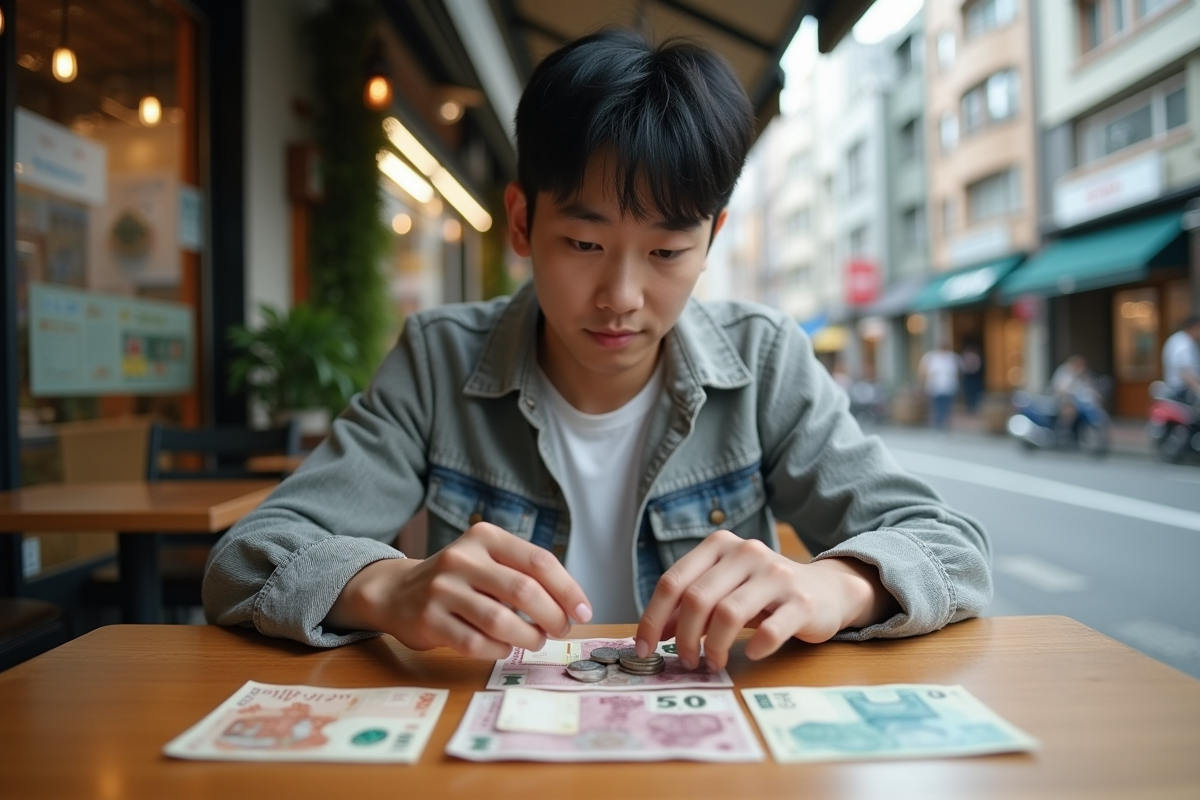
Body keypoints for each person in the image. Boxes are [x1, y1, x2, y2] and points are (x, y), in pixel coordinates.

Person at [204, 31, 990, 673]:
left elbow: (950, 548)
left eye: (666, 252)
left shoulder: (766, 362)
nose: (620, 295)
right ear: (520, 222)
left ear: (711, 238)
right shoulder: (439, 360)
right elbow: (247, 558)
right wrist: (388, 588)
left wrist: (831, 586)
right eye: (583, 241)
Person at [917, 340, 963, 432]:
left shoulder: (952, 357)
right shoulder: (931, 357)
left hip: (948, 387)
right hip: (935, 387)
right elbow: (923, 371)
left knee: (946, 407)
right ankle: (938, 426)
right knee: (937, 407)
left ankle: (944, 425)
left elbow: (959, 370)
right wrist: (922, 383)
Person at [1162, 315, 1200, 405]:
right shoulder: (1184, 344)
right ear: (1194, 327)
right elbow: (1185, 372)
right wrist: (1198, 389)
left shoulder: (1179, 339)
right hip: (1182, 391)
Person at [960, 344, 984, 415]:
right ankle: (970, 406)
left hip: (975, 376)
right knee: (968, 391)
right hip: (968, 376)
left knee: (975, 391)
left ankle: (974, 405)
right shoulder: (965, 356)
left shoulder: (975, 356)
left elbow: (978, 365)